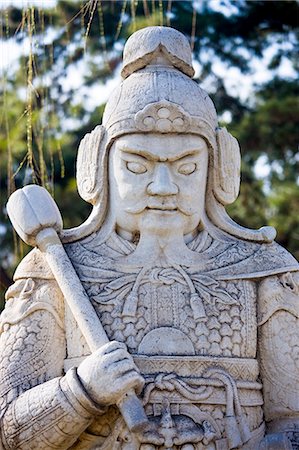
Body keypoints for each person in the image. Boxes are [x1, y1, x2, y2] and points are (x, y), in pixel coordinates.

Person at [0, 26, 298, 450]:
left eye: (186, 166)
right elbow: (8, 431)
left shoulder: (264, 274)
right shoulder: (54, 273)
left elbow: (292, 421)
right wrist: (82, 390)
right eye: (138, 166)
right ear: (100, 166)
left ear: (218, 169)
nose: (163, 186)